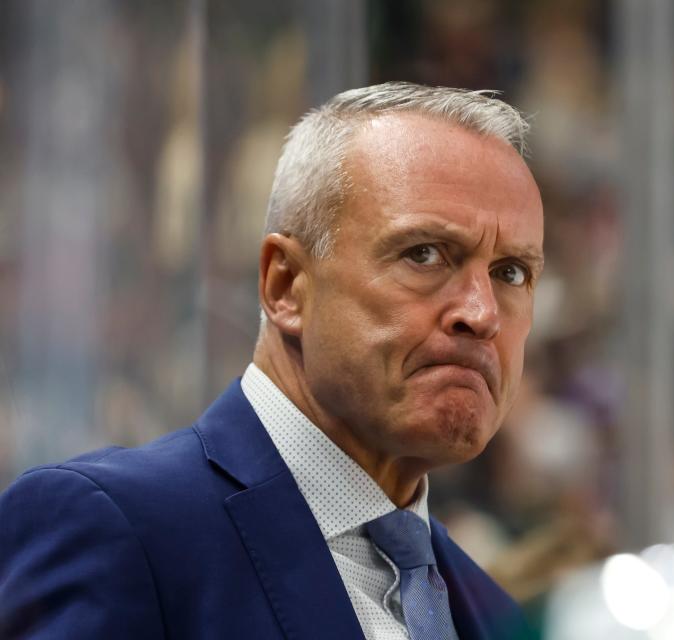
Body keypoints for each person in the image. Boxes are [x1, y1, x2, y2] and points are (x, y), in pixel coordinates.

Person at [0, 82, 543, 640]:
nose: (481, 314)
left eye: (510, 273)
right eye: (424, 254)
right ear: (285, 285)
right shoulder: (115, 529)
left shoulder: (492, 610)